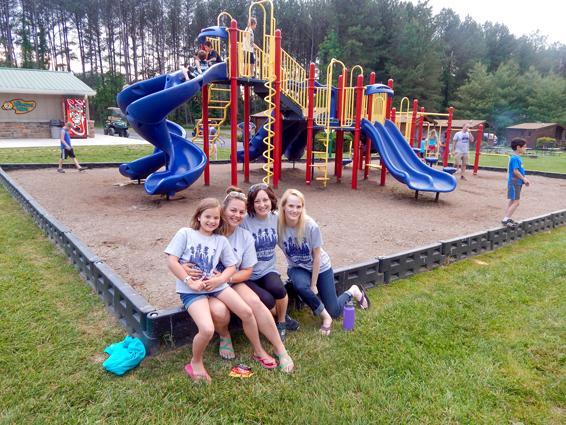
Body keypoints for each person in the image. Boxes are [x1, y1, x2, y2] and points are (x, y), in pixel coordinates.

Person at [165, 198, 277, 383]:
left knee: (247, 312)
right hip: (193, 290)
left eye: (216, 218)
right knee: (207, 329)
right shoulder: (185, 233)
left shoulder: (220, 240)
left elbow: (232, 266)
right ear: (199, 216)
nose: (211, 221)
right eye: (207, 216)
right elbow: (171, 261)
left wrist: (220, 279)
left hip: (216, 286)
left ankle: (258, 351)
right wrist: (188, 281)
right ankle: (196, 362)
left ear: (220, 219)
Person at [201, 187, 294, 372]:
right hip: (207, 285)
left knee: (255, 302)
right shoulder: (211, 228)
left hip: (231, 282)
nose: (237, 215)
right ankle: (225, 335)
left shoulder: (244, 236)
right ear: (223, 210)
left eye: (241, 212)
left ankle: (280, 349)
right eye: (233, 210)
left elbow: (247, 271)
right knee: (220, 312)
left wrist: (225, 279)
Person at [278, 189, 370, 336]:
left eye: (298, 206)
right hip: (298, 268)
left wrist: (314, 285)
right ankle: (324, 317)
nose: (294, 210)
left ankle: (353, 291)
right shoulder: (277, 225)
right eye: (291, 206)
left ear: (302, 208)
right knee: (301, 285)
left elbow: (317, 257)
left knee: (334, 311)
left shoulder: (310, 226)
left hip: (320, 267)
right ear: (283, 206)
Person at [241, 183, 299, 342]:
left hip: (267, 268)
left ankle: (281, 322)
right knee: (267, 300)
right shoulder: (244, 221)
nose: (262, 205)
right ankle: (282, 315)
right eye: (257, 201)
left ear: (271, 200)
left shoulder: (276, 218)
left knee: (278, 289)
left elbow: (292, 229)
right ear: (251, 204)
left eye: (265, 200)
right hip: (248, 273)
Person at [502, 138, 530, 227]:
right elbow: (515, 171)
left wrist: (524, 178)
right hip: (515, 182)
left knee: (512, 200)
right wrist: (524, 179)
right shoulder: (515, 158)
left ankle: (507, 217)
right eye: (524, 147)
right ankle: (505, 220)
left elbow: (519, 171)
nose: (526, 148)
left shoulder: (517, 157)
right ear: (518, 147)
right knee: (516, 202)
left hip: (517, 182)